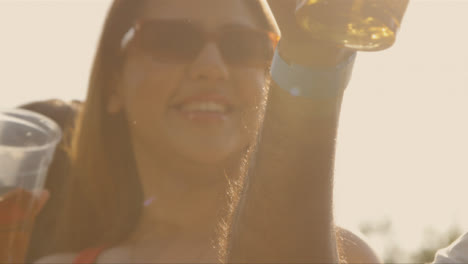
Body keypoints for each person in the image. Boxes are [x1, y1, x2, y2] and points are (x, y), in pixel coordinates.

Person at [25, 0, 380, 263]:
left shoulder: (344, 256)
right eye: (172, 40)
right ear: (114, 84)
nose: (212, 68)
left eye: (243, 45)